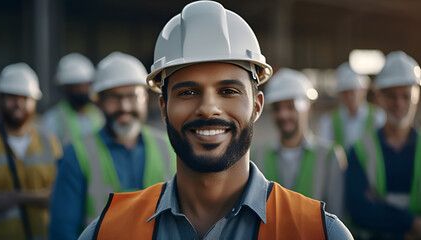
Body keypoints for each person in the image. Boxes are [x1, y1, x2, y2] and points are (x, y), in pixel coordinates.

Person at [79, 2, 353, 239]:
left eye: (228, 91)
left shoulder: (321, 233)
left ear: (257, 106)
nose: (209, 108)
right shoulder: (107, 232)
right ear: (163, 108)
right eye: (188, 92)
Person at [49, 52, 176, 240]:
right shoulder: (76, 154)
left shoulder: (169, 146)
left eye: (133, 96)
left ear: (146, 99)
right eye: (114, 98)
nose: (124, 106)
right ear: (98, 103)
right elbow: (62, 232)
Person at [345, 51, 421, 240]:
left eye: (406, 95)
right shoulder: (359, 150)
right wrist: (412, 223)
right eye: (392, 96)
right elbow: (359, 210)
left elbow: (371, 212)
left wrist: (379, 209)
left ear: (417, 96)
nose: (399, 103)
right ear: (379, 98)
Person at [253, 68, 347, 218]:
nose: (283, 114)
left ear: (309, 108)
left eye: (291, 106)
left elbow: (338, 219)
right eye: (277, 108)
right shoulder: (256, 157)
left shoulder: (330, 156)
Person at [0, 63, 62, 239]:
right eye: (12, 97)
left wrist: (13, 197)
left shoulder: (49, 141)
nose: (19, 104)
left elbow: (60, 195)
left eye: (25, 98)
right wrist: (35, 197)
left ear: (35, 101)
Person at [317, 62, 386, 150]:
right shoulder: (328, 121)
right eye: (345, 93)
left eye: (353, 92)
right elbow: (324, 150)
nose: (349, 97)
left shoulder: (378, 117)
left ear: (364, 91)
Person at [42, 53, 104, 147]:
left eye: (85, 85)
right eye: (77, 87)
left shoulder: (100, 115)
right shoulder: (53, 119)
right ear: (65, 89)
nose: (83, 91)